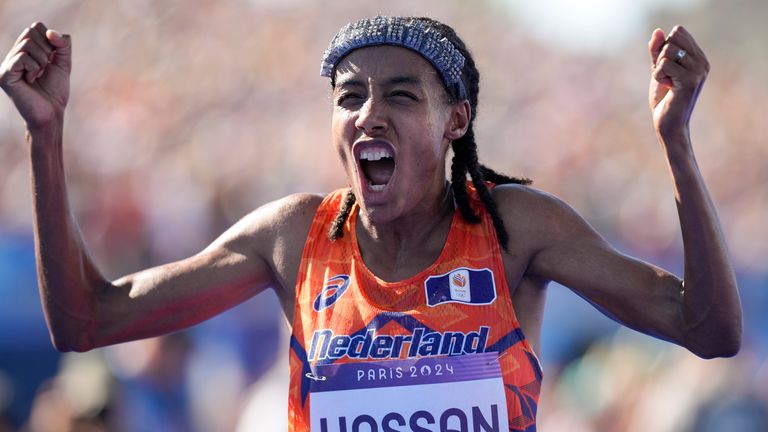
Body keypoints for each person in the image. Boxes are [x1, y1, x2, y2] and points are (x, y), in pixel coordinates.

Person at [0, 15, 742, 431]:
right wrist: (45, 136)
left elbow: (708, 330)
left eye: (400, 96)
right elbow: (86, 323)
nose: (367, 115)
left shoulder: (515, 228)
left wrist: (677, 143)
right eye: (348, 96)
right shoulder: (294, 236)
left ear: (457, 119)